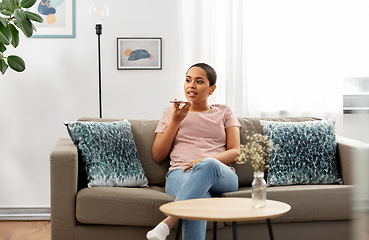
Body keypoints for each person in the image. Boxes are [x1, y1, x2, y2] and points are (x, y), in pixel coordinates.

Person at [146, 63, 241, 240]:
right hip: (180, 173)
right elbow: (158, 155)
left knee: (209, 164)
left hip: (220, 174)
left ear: (211, 89)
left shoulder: (224, 112)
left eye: (199, 81)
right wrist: (175, 121)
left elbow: (236, 152)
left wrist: (205, 161)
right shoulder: (171, 112)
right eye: (188, 80)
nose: (191, 85)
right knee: (199, 198)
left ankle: (168, 222)